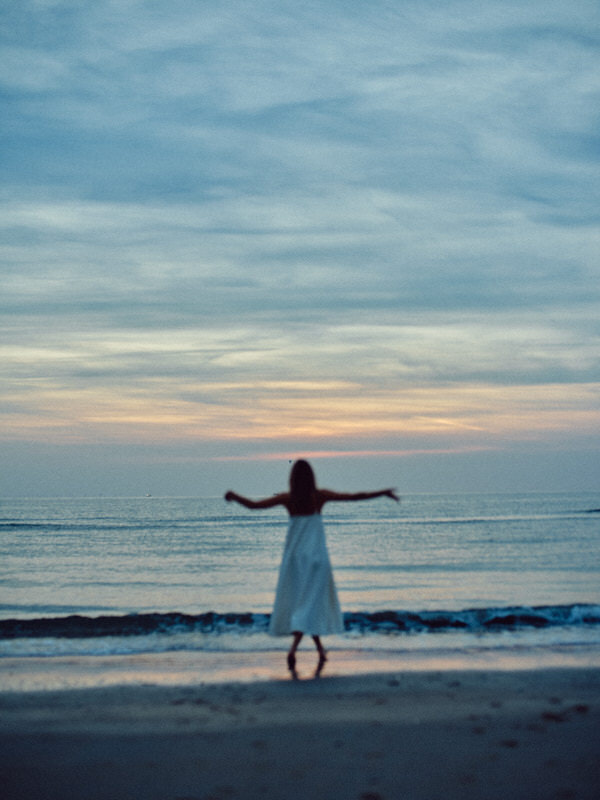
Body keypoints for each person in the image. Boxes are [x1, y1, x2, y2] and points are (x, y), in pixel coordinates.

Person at [225, 459, 399, 676]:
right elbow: (355, 497)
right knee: (311, 603)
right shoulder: (319, 497)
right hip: (317, 559)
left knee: (304, 602)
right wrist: (383, 492)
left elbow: (254, 506)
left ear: (292, 478)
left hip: (295, 559)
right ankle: (305, 649)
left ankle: (313, 649)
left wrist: (234, 496)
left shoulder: (287, 499)